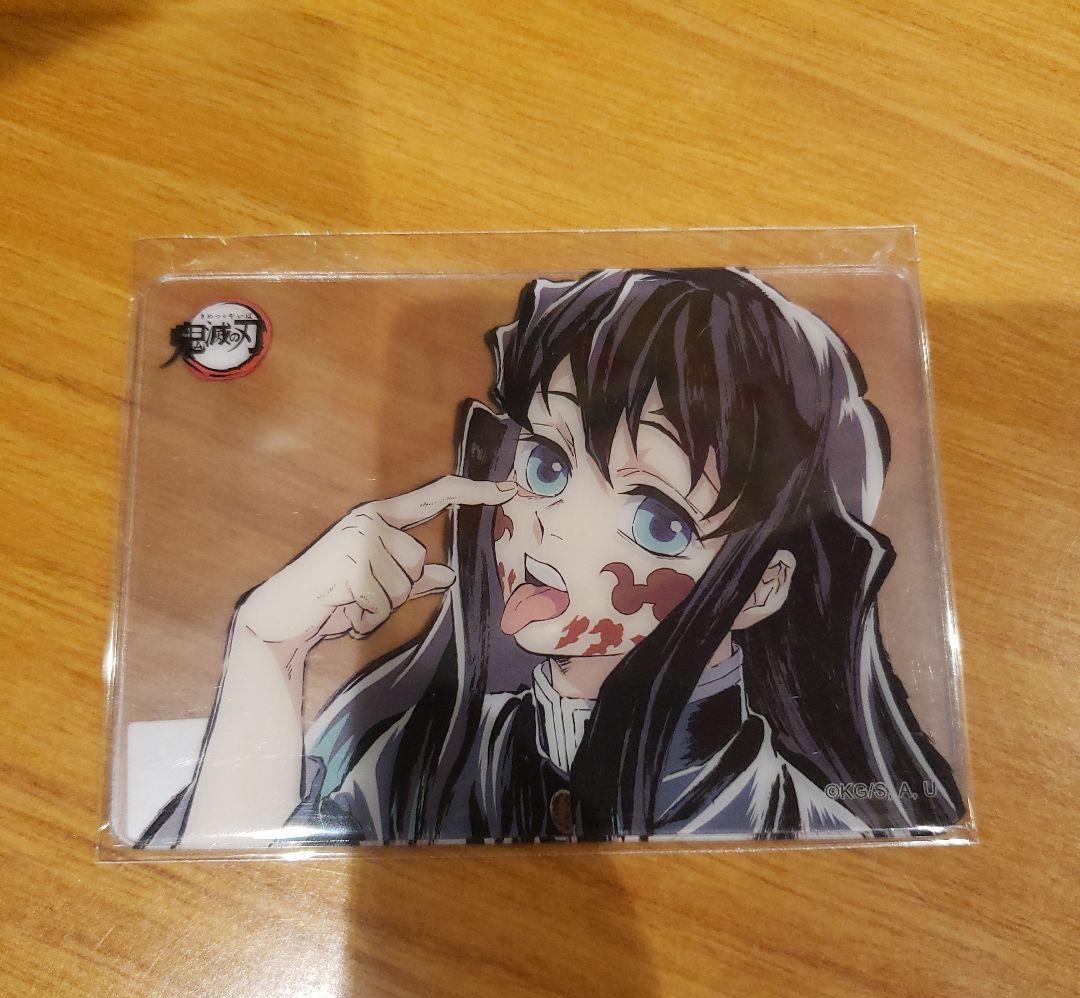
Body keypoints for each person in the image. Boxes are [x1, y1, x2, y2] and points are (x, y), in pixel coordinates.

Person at [140, 268, 963, 849]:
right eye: (548, 464)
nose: (551, 528)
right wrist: (268, 649)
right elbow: (224, 913)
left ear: (762, 587)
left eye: (656, 517)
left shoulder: (812, 833)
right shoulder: (414, 756)